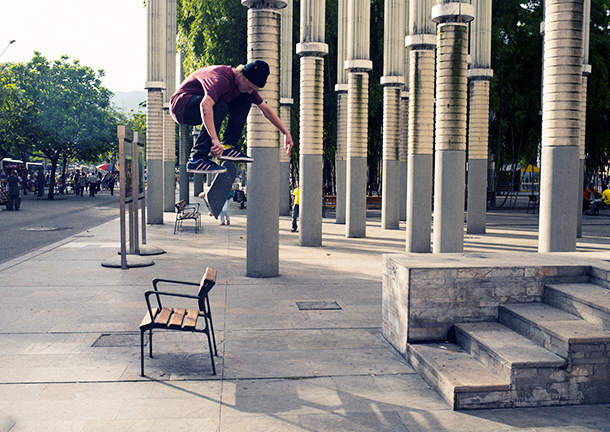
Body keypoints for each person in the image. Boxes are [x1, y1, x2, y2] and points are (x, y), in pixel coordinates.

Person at [170, 60, 293, 174]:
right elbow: (205, 105)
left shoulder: (245, 85)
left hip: (200, 106)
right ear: (241, 75)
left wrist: (285, 132)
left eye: (254, 89)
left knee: (246, 99)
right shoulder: (221, 78)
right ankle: (196, 158)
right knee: (220, 107)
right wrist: (214, 140)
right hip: (181, 106)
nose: (250, 91)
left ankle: (228, 146)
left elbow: (265, 109)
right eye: (249, 87)